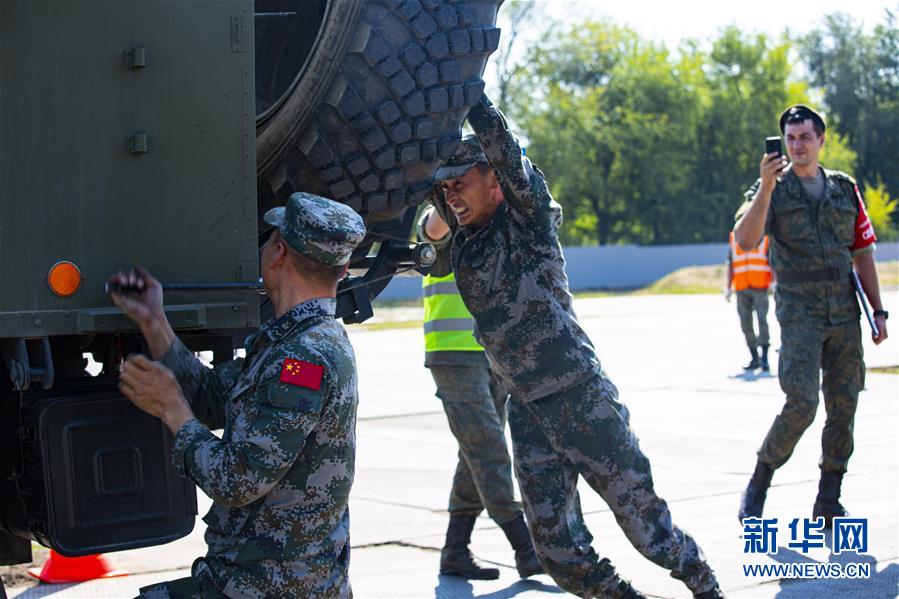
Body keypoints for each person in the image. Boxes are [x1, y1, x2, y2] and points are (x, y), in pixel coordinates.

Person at [420, 95, 723, 599]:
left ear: (494, 179)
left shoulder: (530, 220)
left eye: (461, 183)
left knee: (649, 531)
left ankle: (704, 584)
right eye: (445, 187)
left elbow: (504, 150)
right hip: (528, 410)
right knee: (559, 555)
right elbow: (424, 174)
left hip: (580, 398)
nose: (450, 195)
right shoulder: (465, 236)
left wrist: (466, 90)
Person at [108, 192, 366, 598]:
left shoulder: (301, 358)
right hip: (274, 578)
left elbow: (236, 479)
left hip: (269, 585)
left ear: (277, 252)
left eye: (268, 238)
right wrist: (154, 320)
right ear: (344, 268)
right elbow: (214, 397)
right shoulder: (296, 342)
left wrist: (172, 409)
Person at [734, 105, 889, 525]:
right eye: (790, 138)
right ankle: (759, 483)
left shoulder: (844, 188)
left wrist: (878, 311)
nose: (797, 145)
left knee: (844, 406)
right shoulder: (773, 188)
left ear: (821, 140)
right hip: (799, 314)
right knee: (801, 403)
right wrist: (766, 188)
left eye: (805, 137)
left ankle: (828, 498)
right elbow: (746, 241)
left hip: (844, 313)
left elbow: (863, 253)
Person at [418, 212, 541, 580]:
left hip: (494, 354)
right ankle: (524, 544)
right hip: (453, 355)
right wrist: (459, 179)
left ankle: (455, 550)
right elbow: (430, 228)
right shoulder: (446, 223)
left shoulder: (497, 234)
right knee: (488, 448)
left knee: (473, 455)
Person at [726, 231, 773, 370]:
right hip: (741, 286)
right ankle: (754, 358)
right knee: (746, 323)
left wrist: (773, 282)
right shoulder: (734, 238)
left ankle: (764, 358)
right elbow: (731, 264)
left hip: (760, 285)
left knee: (762, 320)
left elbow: (772, 260)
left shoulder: (764, 237)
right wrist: (728, 287)